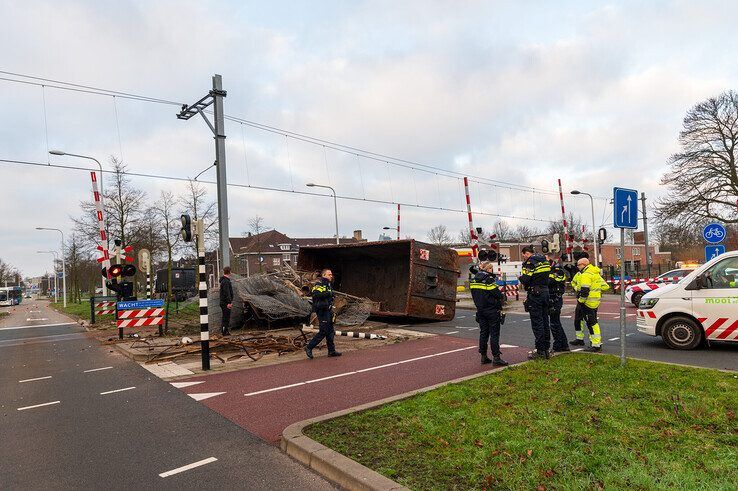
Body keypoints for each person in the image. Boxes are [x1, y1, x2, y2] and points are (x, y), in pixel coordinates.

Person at [470, 261, 508, 366]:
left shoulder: (473, 280)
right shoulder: (489, 280)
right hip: (491, 310)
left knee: (483, 333)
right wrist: (501, 298)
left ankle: (483, 356)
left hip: (480, 310)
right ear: (487, 269)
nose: (492, 270)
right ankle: (496, 357)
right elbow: (497, 294)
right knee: (494, 334)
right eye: (491, 268)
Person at [520, 246, 552, 359]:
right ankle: (547, 348)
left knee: (537, 323)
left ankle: (540, 351)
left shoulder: (530, 263)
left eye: (523, 255)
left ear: (527, 253)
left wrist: (520, 278)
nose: (524, 257)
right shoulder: (545, 261)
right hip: (545, 292)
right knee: (545, 321)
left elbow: (526, 279)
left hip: (535, 294)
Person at [573, 258, 608, 352]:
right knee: (593, 323)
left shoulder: (585, 275)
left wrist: (581, 301)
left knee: (591, 324)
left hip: (587, 303)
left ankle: (596, 345)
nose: (577, 267)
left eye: (579, 265)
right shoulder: (595, 274)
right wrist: (596, 290)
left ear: (583, 264)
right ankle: (595, 343)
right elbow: (605, 286)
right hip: (595, 302)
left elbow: (584, 291)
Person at [305, 269, 342, 359]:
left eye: (331, 274)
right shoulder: (319, 283)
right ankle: (309, 347)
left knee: (330, 331)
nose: (331, 276)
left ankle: (331, 351)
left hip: (328, 310)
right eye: (329, 274)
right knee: (324, 331)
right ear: (324, 275)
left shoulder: (328, 284)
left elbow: (329, 295)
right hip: (322, 310)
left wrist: (331, 296)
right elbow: (316, 295)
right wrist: (328, 293)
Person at [545, 253, 570, 353]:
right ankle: (563, 345)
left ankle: (558, 345)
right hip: (552, 298)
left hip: (555, 299)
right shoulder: (552, 270)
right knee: (556, 323)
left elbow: (551, 282)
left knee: (555, 323)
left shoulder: (558, 270)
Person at [219, 266, 234, 336]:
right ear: (229, 272)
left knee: (225, 317)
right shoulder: (226, 281)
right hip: (225, 303)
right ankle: (225, 332)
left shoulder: (224, 281)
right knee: (226, 318)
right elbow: (227, 292)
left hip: (224, 302)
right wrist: (229, 302)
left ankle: (224, 331)